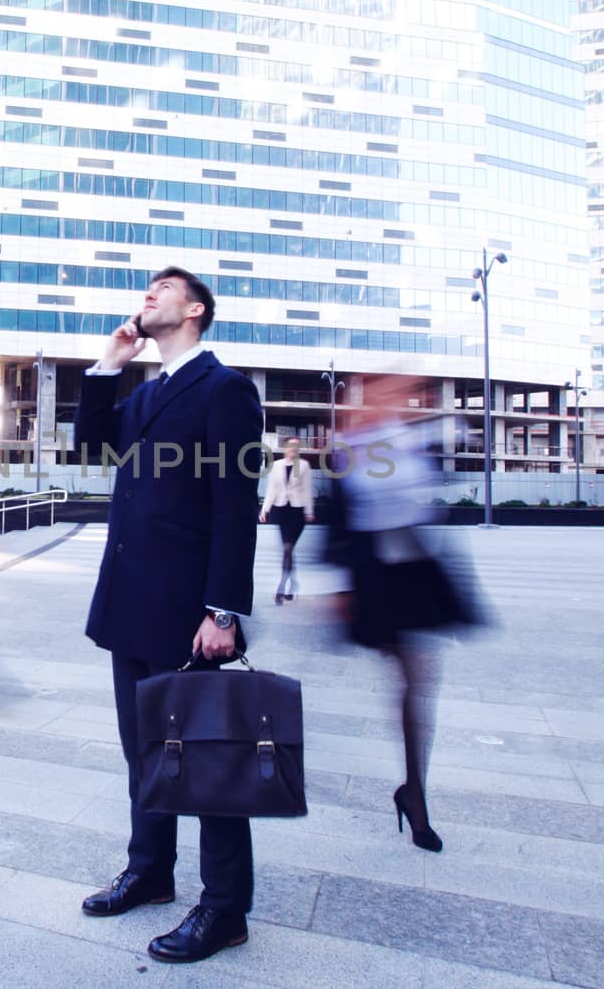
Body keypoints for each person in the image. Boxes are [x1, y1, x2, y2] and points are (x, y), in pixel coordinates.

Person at [75, 265, 263, 964]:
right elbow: (92, 445)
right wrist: (108, 364)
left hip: (189, 612)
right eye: (146, 287)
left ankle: (224, 908)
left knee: (208, 760)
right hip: (131, 601)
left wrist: (223, 609)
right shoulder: (149, 391)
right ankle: (151, 870)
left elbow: (234, 505)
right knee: (143, 750)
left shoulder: (225, 389)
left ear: (196, 309)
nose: (147, 293)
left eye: (163, 288)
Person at [325, 376, 481, 853]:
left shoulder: (408, 442)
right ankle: (413, 793)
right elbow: (338, 515)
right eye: (383, 392)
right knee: (410, 680)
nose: (391, 401)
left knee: (417, 683)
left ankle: (415, 794)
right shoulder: (348, 447)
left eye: (399, 394)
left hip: (413, 572)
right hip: (374, 579)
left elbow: (428, 498)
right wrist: (339, 584)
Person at [260, 437, 315, 604]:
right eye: (291, 446)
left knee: (288, 548)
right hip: (282, 510)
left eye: (296, 446)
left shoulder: (303, 466)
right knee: (288, 550)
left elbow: (307, 489)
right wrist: (265, 509)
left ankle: (281, 587)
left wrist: (309, 511)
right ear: (285, 448)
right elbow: (271, 490)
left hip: (297, 512)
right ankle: (293, 585)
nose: (293, 448)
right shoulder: (276, 466)